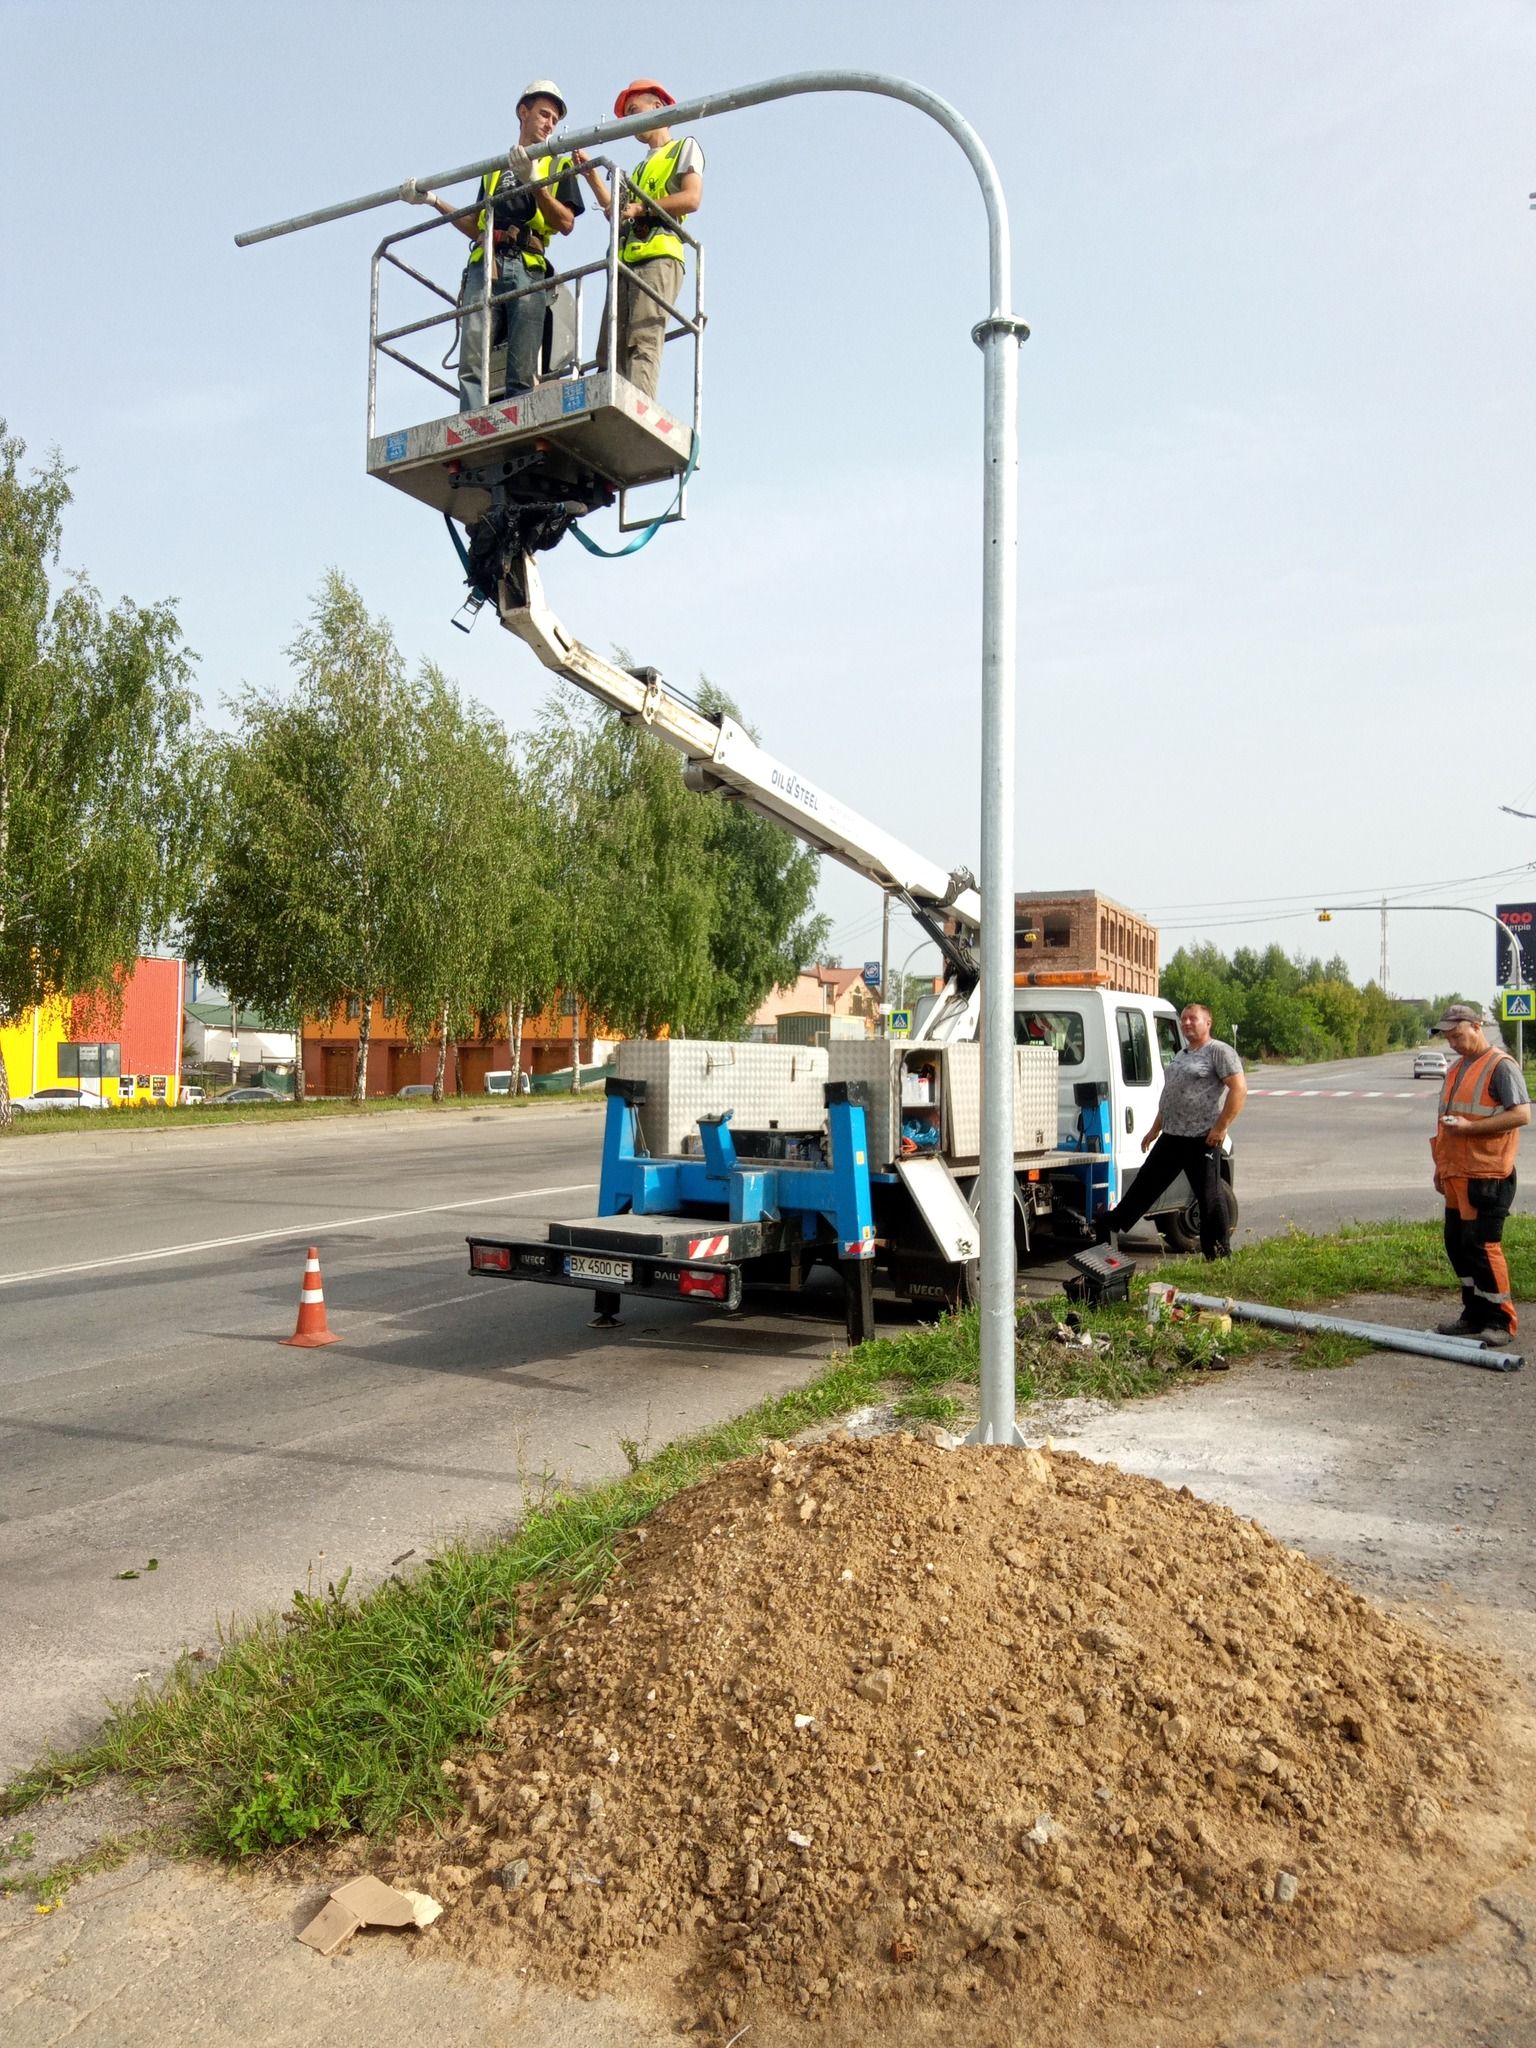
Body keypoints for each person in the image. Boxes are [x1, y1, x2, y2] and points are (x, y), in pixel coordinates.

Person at [413, 81, 594, 409]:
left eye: (554, 118)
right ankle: (471, 424)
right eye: (543, 114)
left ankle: (517, 421)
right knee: (472, 359)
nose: (550, 123)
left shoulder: (557, 164)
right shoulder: (496, 169)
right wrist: (433, 200)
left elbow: (565, 223)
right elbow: (477, 225)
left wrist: (535, 183)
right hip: (487, 266)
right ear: (522, 113)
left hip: (528, 267)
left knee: (522, 365)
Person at [1095, 1002, 1246, 1260]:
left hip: (1202, 1138)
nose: (1187, 1023)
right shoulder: (1182, 1054)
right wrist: (1154, 1129)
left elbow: (1239, 1089)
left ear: (1207, 1023)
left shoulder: (1219, 1051)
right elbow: (1170, 1096)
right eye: (1184, 1019)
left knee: (1209, 1198)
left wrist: (1220, 1128)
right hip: (1173, 1136)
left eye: (1193, 1019)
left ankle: (1220, 1254)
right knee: (1145, 1185)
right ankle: (1110, 1225)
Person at [586, 79, 703, 400]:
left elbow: (691, 198)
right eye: (629, 114)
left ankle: (637, 411)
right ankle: (610, 409)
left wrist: (641, 208)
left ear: (659, 107)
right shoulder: (638, 169)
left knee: (641, 338)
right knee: (610, 348)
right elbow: (617, 213)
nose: (633, 120)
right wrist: (592, 177)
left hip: (658, 256)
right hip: (625, 263)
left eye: (636, 110)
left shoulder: (683, 148)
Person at [1428, 1003, 1528, 1345]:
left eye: (1457, 1035)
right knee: (1458, 1245)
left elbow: (1521, 1115)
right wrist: (1441, 1167)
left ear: (1476, 1026)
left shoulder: (1501, 1066)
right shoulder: (1457, 1069)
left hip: (1487, 1175)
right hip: (1457, 1173)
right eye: (1449, 1038)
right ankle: (1474, 1314)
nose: (1453, 1043)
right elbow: (1446, 1123)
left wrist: (1472, 1128)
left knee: (1483, 1246)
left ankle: (1501, 1321)